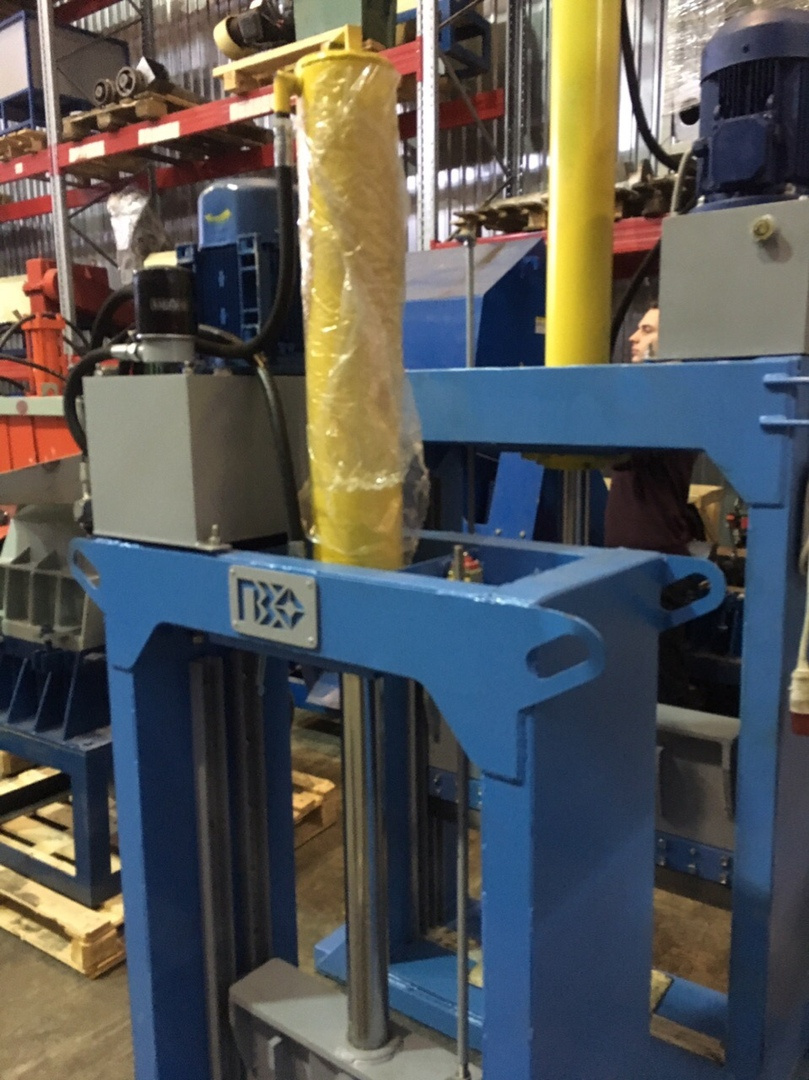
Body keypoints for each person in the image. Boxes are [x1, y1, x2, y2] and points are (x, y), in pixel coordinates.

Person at [605, 303, 702, 706]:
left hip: (656, 568)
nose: (632, 336)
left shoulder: (670, 404)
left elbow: (615, 448)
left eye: (646, 330)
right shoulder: (654, 402)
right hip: (632, 563)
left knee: (662, 680)